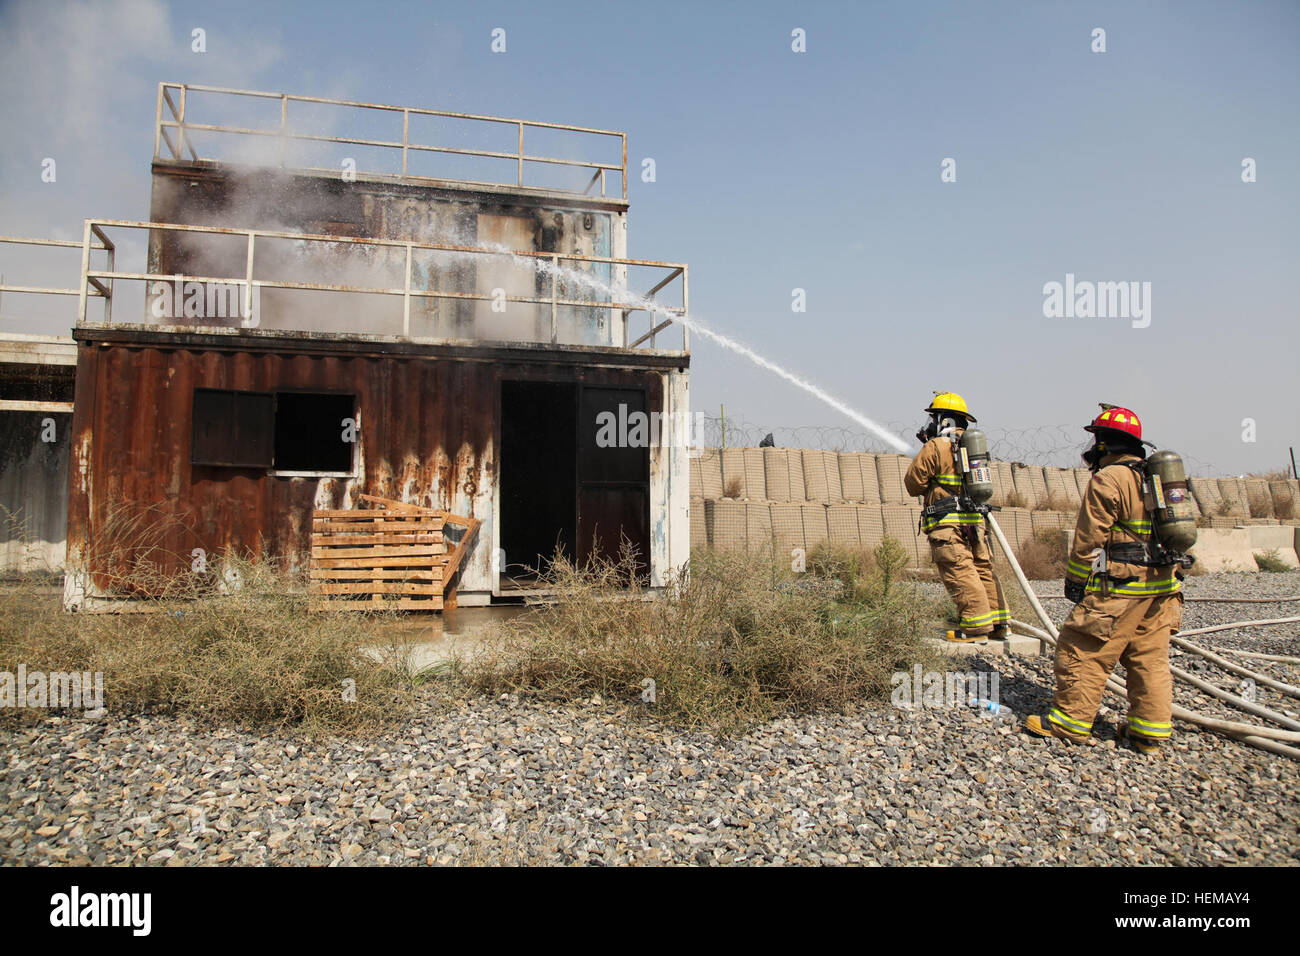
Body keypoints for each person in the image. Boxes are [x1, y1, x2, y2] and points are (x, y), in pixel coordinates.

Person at [1024, 405, 1183, 755]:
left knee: (1082, 645)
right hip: (1163, 586)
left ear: (1103, 444)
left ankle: (1070, 721)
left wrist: (1076, 581)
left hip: (1123, 587)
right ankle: (1149, 733)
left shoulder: (1110, 479)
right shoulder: (1153, 478)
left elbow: (1089, 538)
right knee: (1149, 658)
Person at [904, 392, 1008, 643]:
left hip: (948, 525)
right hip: (976, 523)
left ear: (944, 420)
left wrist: (928, 446)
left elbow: (913, 484)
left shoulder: (936, 446)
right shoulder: (973, 447)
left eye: (934, 418)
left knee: (960, 571)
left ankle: (974, 628)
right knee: (982, 569)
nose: (931, 424)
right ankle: (997, 624)